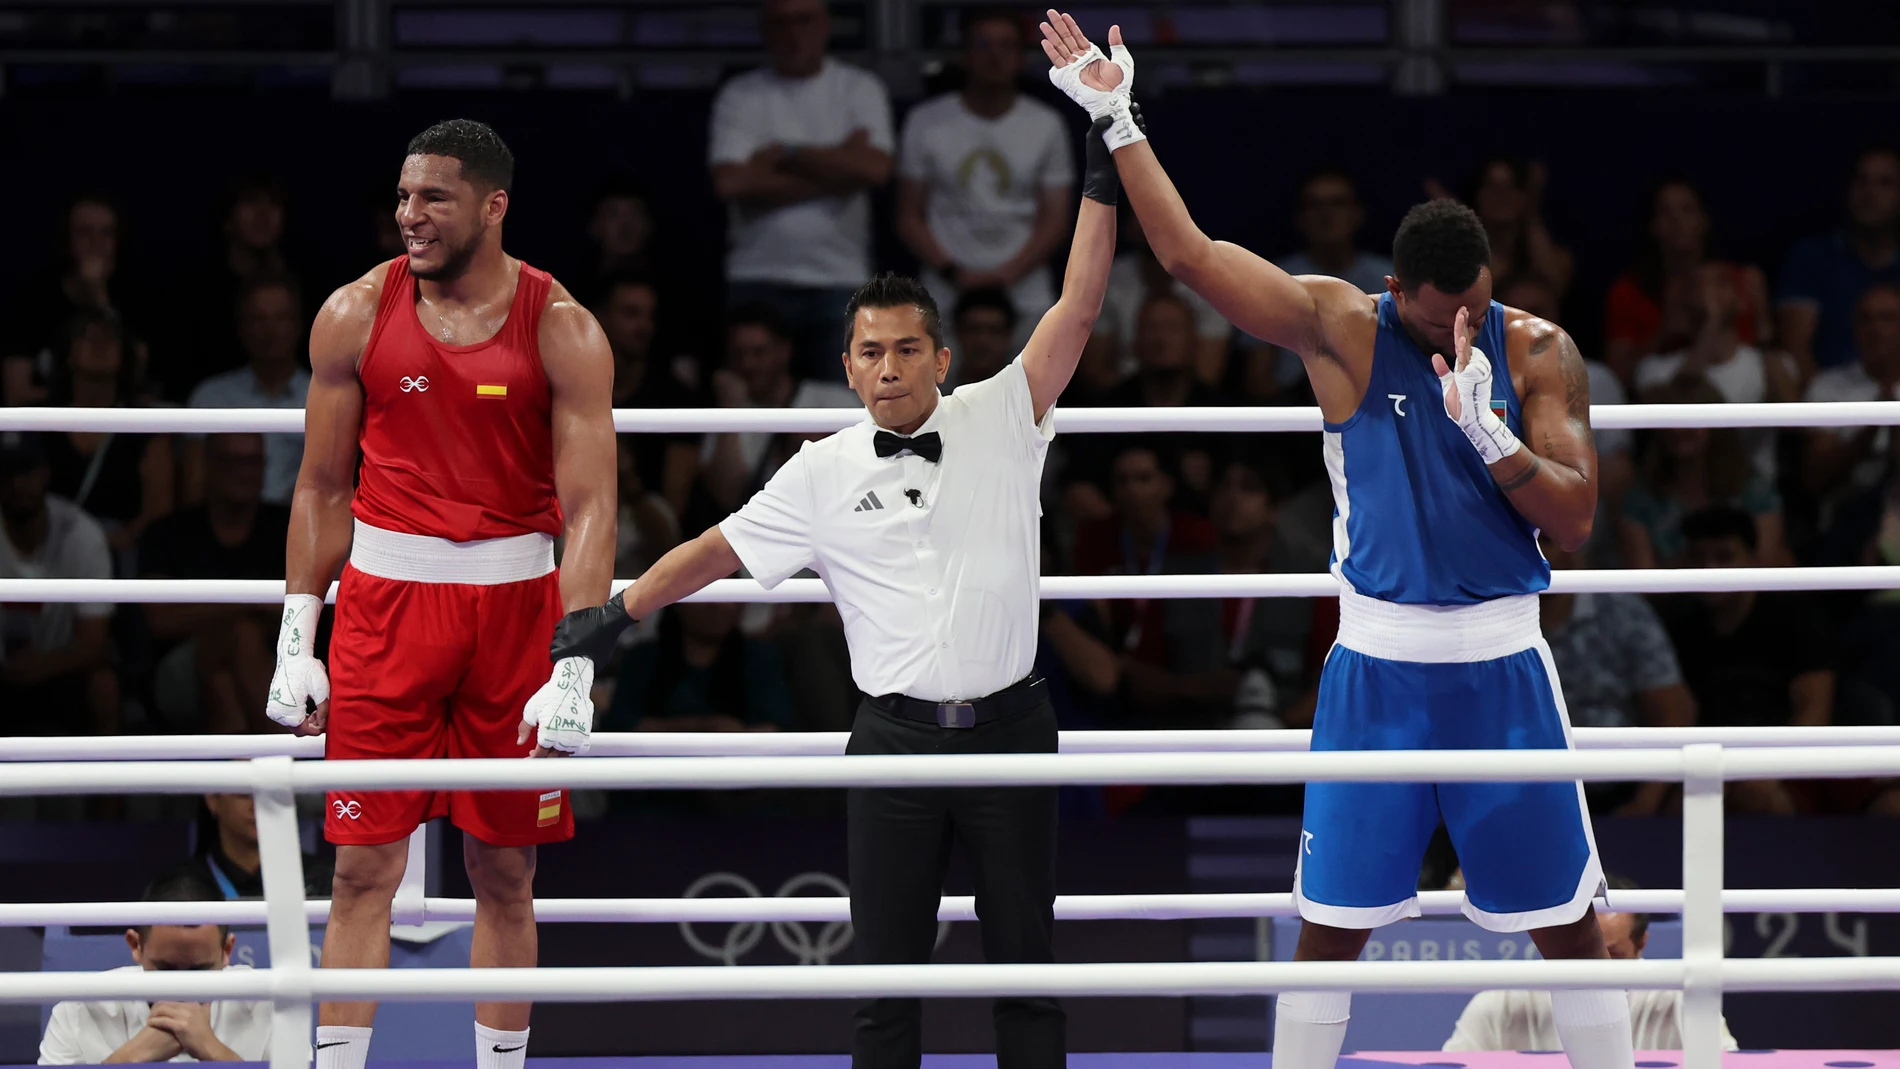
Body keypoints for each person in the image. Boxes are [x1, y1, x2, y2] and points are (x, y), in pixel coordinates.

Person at [1039, 14, 1624, 1068]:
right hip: (1378, 672)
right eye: (1443, 314)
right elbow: (1186, 256)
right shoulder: (1339, 326)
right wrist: (1118, 117)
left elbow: (1575, 521)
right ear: (1397, 291)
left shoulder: (1538, 350)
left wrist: (1493, 440)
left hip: (1503, 667)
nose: (1463, 332)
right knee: (1331, 926)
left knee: (1567, 922)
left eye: (1476, 310)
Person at [549, 111, 1128, 1069]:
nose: (890, 367)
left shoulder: (1005, 411)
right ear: (847, 364)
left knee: (1026, 966)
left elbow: (1078, 302)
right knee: (885, 981)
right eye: (872, 352)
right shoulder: (816, 470)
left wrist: (1106, 163)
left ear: (942, 359)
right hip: (892, 741)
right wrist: (616, 611)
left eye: (909, 349)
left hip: (1014, 729)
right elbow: (714, 549)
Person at [263, 120, 617, 1069]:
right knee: (360, 868)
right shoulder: (352, 313)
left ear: (493, 206)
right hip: (385, 609)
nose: (409, 217)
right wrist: (299, 638)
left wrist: (575, 657)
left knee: (506, 869)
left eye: (434, 200)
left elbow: (590, 510)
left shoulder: (562, 325)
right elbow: (321, 486)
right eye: (403, 198)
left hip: (515, 613)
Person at [709, 0, 895, 381]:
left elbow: (875, 170)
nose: (794, 33)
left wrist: (786, 154)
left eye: (804, 20)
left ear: (826, 24)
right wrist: (839, 167)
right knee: (747, 414)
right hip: (757, 274)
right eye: (781, 23)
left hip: (839, 279)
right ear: (765, 29)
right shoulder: (741, 96)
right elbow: (732, 182)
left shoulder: (859, 89)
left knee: (841, 412)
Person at [898, 7, 1073, 349]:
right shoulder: (926, 121)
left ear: (1021, 56)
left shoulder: (1046, 125)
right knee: (938, 400)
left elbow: (1055, 219)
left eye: (1006, 46)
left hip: (1025, 293)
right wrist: (954, 273)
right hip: (943, 294)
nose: (995, 56)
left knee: (1029, 400)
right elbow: (908, 216)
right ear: (965, 54)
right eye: (983, 45)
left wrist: (1006, 275)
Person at [1661, 507, 1834, 814]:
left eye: (1725, 557)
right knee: (1681, 809)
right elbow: (1675, 714)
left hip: (1785, 767)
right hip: (1705, 763)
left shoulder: (1796, 618)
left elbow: (1813, 712)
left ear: (1753, 559)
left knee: (1762, 801)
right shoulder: (1678, 622)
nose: (1709, 569)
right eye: (1698, 559)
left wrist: (1767, 771)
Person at [1442, 876, 1739, 1051]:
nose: (1596, 969)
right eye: (1580, 952)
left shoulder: (1677, 1003)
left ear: (1641, 944)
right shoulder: (1500, 1005)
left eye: (1613, 955)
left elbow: (1727, 1058)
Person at [38, 869, 273, 1065]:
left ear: (226, 951)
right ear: (136, 944)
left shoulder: (270, 1005)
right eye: (166, 969)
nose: (181, 991)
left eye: (199, 971)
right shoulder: (78, 1010)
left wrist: (214, 1052)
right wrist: (131, 1058)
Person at [142, 433, 291, 734]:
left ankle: (233, 775)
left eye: (253, 461)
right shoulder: (167, 534)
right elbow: (160, 620)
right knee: (242, 634)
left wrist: (210, 608)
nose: (244, 472)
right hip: (181, 670)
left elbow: (305, 606)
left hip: (278, 661)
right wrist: (249, 600)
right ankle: (288, 753)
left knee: (224, 682)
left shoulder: (287, 527)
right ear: (208, 464)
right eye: (233, 461)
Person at [1537, 533, 1695, 815]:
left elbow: (1673, 711)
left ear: (1572, 547)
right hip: (1528, 786)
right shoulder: (1491, 617)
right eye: (1525, 541)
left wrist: (1645, 802)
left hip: (1621, 788)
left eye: (1545, 541)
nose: (1535, 552)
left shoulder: (1622, 611)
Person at [0, 432, 120, 738]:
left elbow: (95, 641)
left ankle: (113, 783)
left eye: (25, 471)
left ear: (44, 473)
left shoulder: (82, 534)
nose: (15, 485)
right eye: (6, 473)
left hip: (63, 670)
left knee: (103, 684)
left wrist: (43, 665)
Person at [1603, 179, 1772, 389]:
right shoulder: (1629, 291)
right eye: (1666, 212)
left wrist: (1761, 319)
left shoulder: (1740, 282)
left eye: (1687, 209)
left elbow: (1766, 369)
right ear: (1653, 225)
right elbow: (1614, 381)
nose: (1677, 220)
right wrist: (1664, 333)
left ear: (1704, 220)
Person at [42, 307, 173, 557]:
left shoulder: (147, 426)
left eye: (110, 336)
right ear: (67, 353)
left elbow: (158, 511)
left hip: (121, 554)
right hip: (46, 552)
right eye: (85, 335)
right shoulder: (36, 420)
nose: (98, 343)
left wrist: (112, 539)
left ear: (125, 355)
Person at [701, 302, 858, 510]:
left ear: (784, 351)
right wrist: (729, 408)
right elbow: (726, 495)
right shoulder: (728, 415)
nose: (748, 364)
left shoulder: (835, 402)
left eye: (759, 353)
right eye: (739, 354)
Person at [1619, 374, 1785, 569]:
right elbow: (1644, 579)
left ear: (1715, 425)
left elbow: (1764, 563)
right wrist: (1701, 560)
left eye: (1689, 420)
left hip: (1744, 595)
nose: (1677, 429)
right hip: (1674, 597)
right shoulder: (1640, 497)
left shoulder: (1756, 490)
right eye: (1670, 420)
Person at [2, 193, 150, 407]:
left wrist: (100, 300)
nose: (96, 243)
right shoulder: (32, 302)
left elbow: (136, 382)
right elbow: (16, 395)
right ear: (66, 241)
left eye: (107, 233)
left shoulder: (137, 298)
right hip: (48, 430)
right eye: (85, 232)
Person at [184, 275, 312, 507]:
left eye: (281, 318)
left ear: (299, 325)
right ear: (241, 328)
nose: (270, 331)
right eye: (258, 319)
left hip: (302, 530)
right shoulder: (211, 397)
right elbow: (193, 492)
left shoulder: (324, 396)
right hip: (224, 529)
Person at [1778, 147, 1900, 381]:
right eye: (1861, 180)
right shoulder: (1811, 257)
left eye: (1884, 183)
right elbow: (1796, 349)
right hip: (1830, 396)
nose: (1869, 192)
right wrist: (1829, 405)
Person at [594, 272, 701, 516]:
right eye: (631, 314)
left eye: (649, 316)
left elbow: (673, 519)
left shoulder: (676, 398)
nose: (644, 327)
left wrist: (629, 480)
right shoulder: (566, 387)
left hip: (646, 537)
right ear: (598, 317)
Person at [1804, 284, 1900, 517]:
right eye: (1866, 319)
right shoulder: (1826, 388)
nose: (1875, 328)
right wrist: (1872, 426)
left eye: (1887, 318)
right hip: (1847, 514)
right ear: (1854, 328)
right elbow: (1815, 479)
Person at [159, 792, 334, 900]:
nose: (256, 805)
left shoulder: (324, 879)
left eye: (267, 794)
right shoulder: (182, 884)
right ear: (212, 799)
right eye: (244, 794)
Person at [1277, 170, 1394, 295]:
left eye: (1338, 203)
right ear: (1299, 217)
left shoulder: (1390, 281)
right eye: (1314, 205)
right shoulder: (1279, 280)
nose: (1326, 214)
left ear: (1357, 213)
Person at [950, 287, 1020, 385]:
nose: (982, 341)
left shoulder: (1028, 395)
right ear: (957, 333)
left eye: (994, 331)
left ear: (1009, 336)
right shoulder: (934, 394)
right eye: (973, 330)